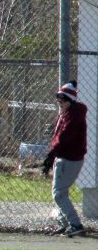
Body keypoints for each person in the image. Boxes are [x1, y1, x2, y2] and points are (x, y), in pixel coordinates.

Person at [43, 81, 88, 238]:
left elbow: (64, 138)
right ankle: (64, 223)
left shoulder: (73, 116)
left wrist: (51, 154)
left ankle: (75, 224)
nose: (60, 104)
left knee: (58, 193)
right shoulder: (68, 114)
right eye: (58, 101)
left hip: (69, 159)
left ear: (70, 101)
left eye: (63, 101)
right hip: (66, 157)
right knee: (61, 191)